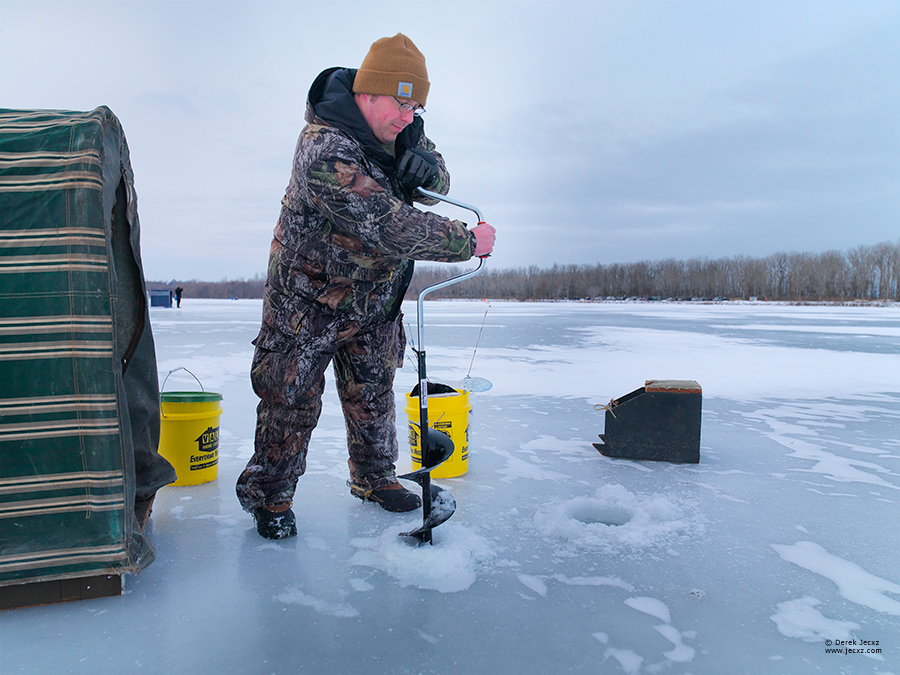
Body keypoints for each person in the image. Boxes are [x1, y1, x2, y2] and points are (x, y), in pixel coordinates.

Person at [236, 34, 496, 539]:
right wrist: (467, 241)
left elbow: (437, 179)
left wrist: (424, 165)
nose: (408, 115)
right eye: (402, 102)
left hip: (375, 300)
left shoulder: (402, 132)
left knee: (373, 396)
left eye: (416, 105)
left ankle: (375, 479)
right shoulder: (323, 146)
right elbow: (383, 221)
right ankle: (270, 499)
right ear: (369, 92)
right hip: (307, 304)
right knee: (289, 402)